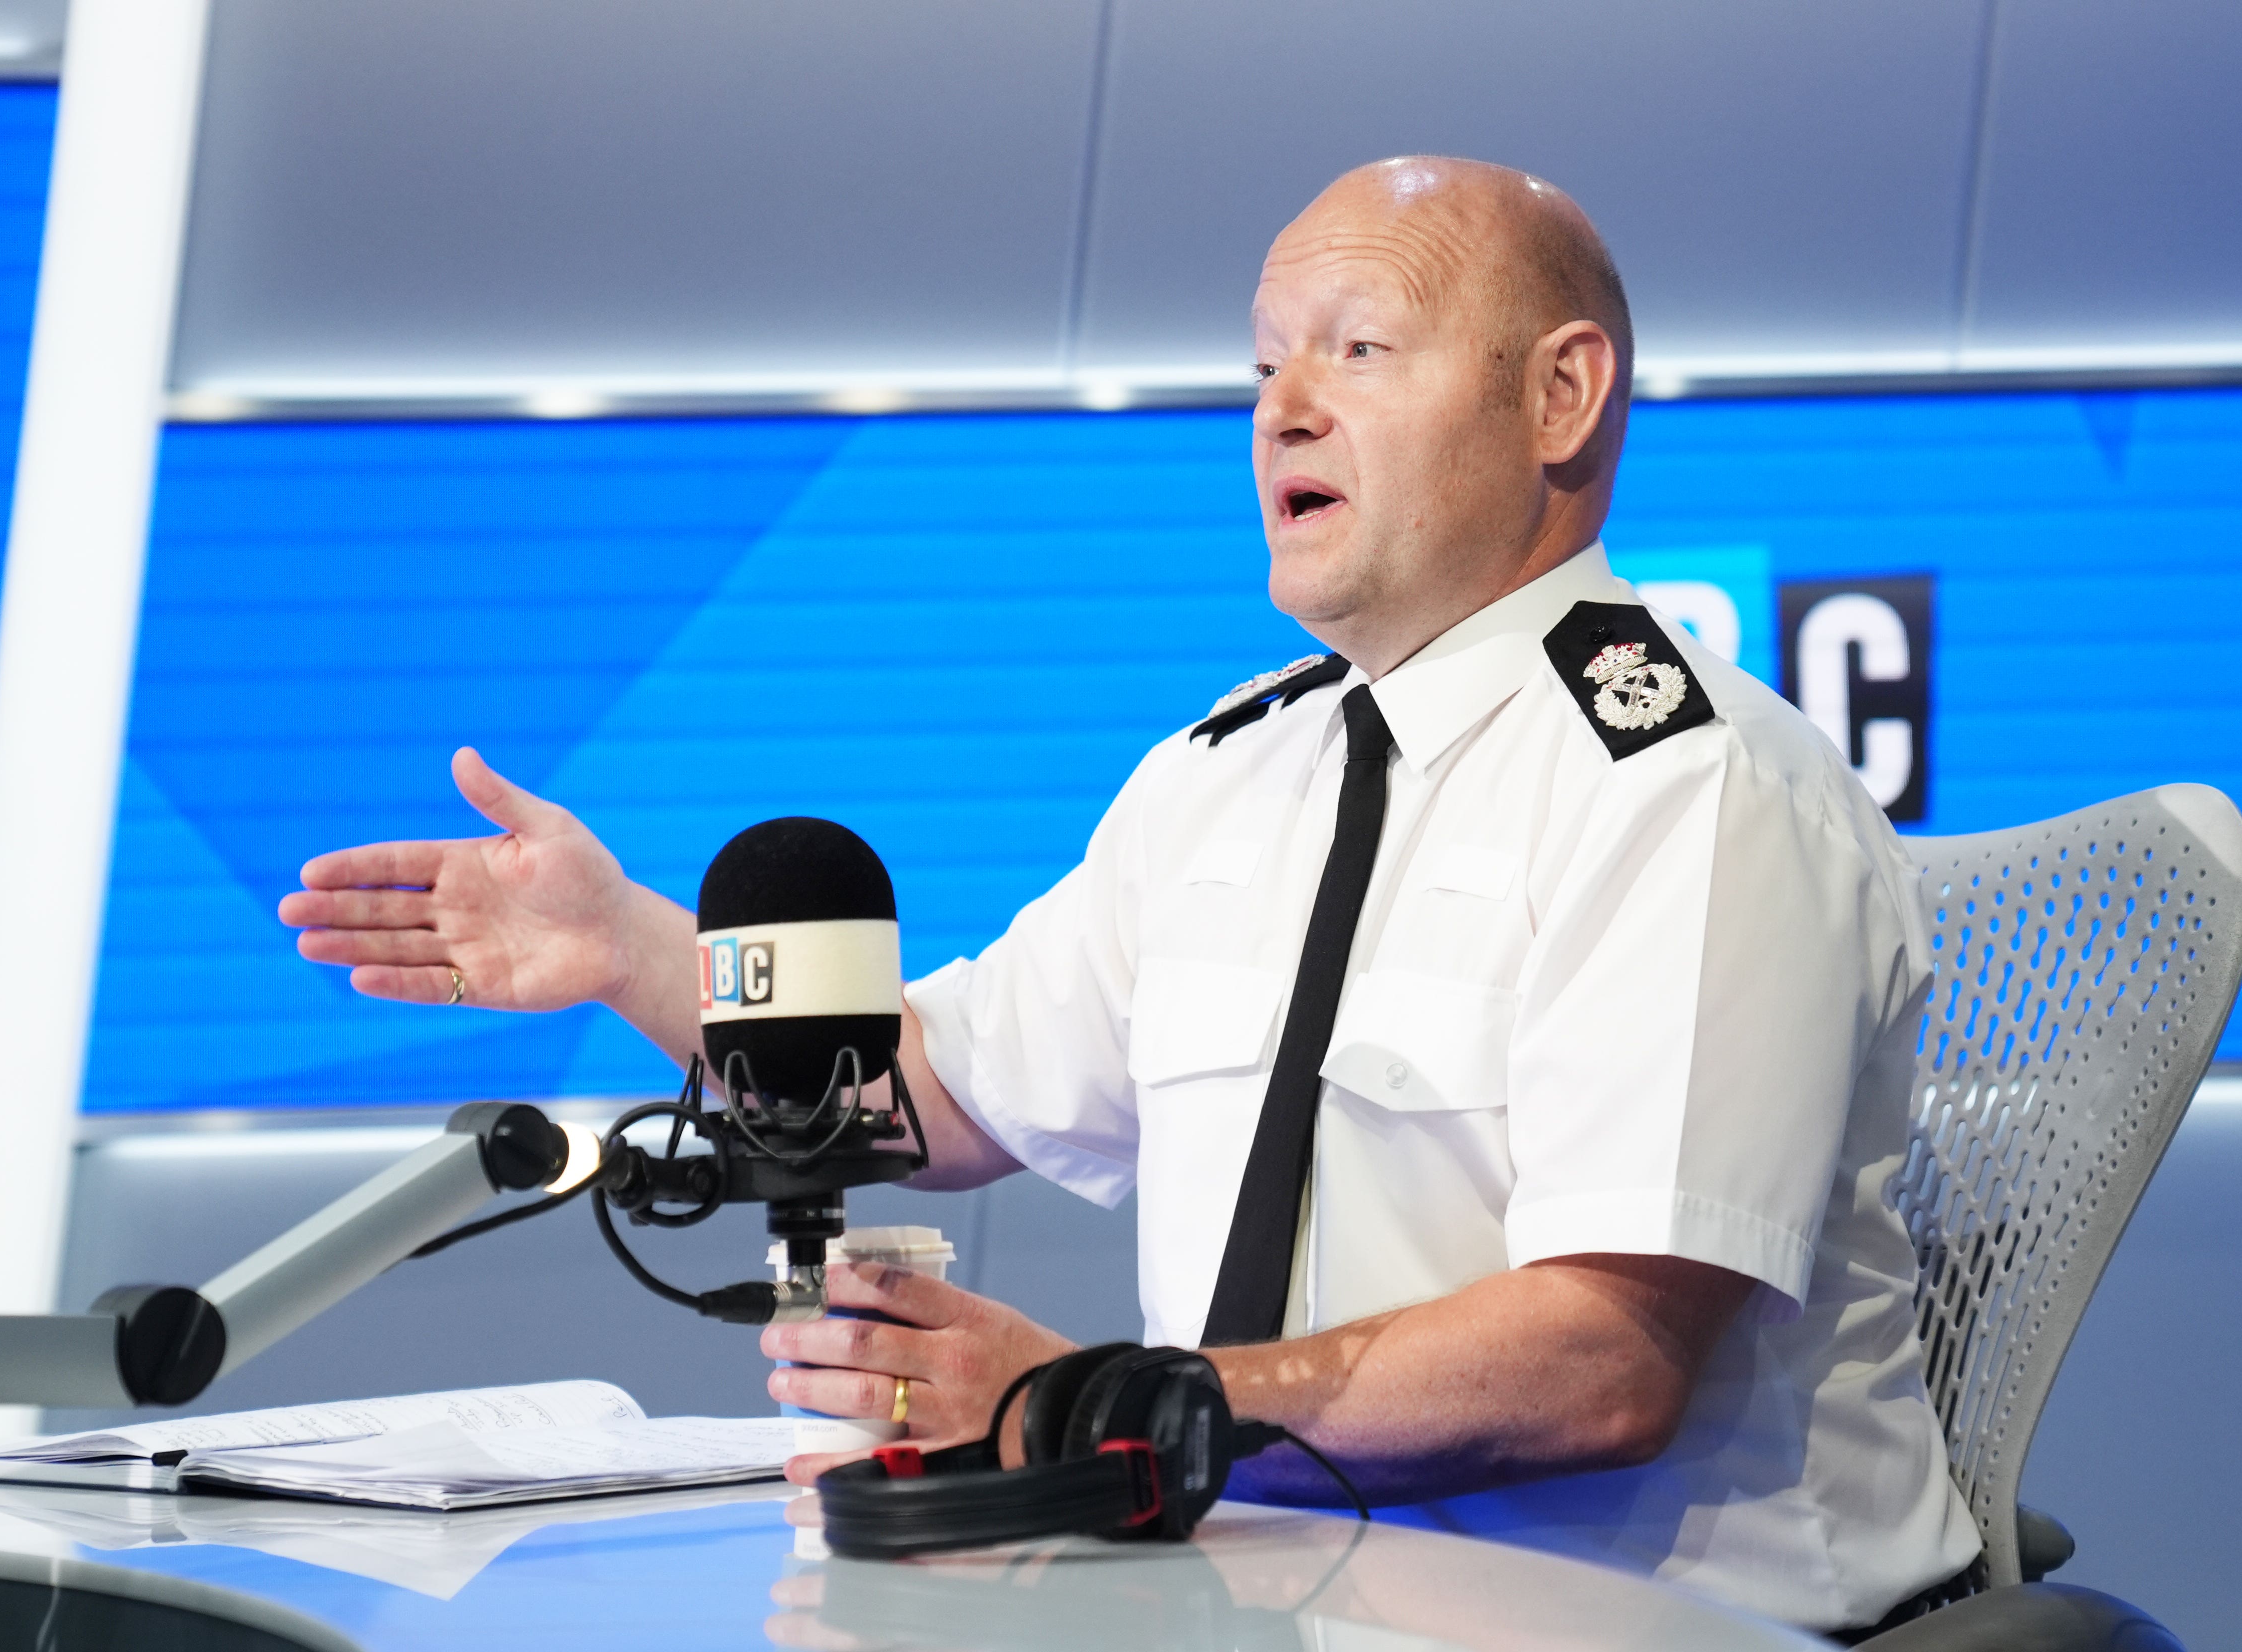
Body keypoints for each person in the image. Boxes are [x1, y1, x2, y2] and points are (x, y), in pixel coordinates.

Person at [280, 156, 1979, 1633]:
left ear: (1562, 396)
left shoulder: (1691, 789)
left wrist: (1096, 1405)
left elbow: (1603, 1363)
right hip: (1253, 1607)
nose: (1283, 408)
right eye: (1264, 363)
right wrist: (629, 948)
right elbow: (931, 1098)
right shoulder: (1224, 777)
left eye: (1358, 351)